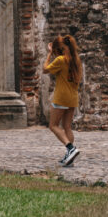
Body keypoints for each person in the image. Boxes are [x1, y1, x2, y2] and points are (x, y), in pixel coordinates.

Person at [43, 34, 82, 166]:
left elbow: (45, 70)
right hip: (73, 97)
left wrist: (49, 54)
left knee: (53, 125)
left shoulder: (60, 60)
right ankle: (70, 157)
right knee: (67, 127)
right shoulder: (76, 61)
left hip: (61, 97)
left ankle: (70, 148)